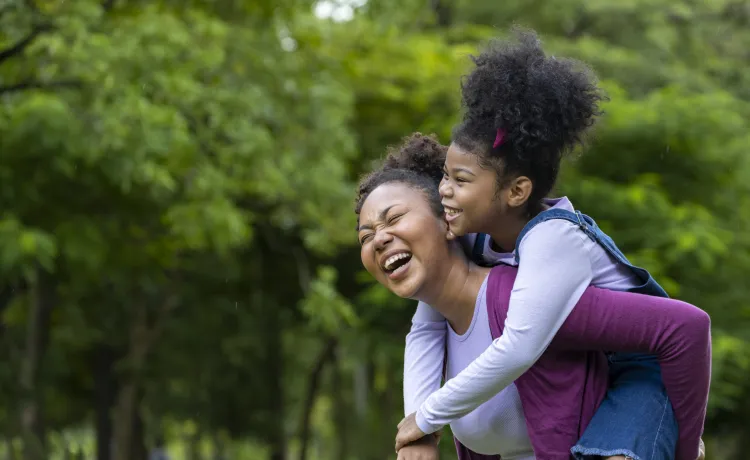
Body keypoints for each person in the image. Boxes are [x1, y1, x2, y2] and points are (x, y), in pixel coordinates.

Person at [396, 29, 705, 459]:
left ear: (516, 192)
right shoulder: (475, 236)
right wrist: (417, 428)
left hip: (632, 373)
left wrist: (429, 416)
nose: (443, 191)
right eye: (446, 175)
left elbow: (518, 348)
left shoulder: (552, 238)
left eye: (461, 180)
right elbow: (426, 326)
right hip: (582, 368)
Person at [354, 140, 710, 459]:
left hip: (647, 375)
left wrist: (683, 445)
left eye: (394, 219)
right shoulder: (448, 301)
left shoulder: (536, 274)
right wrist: (420, 430)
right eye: (365, 236)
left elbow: (684, 327)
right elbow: (421, 333)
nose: (379, 239)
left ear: (447, 223)